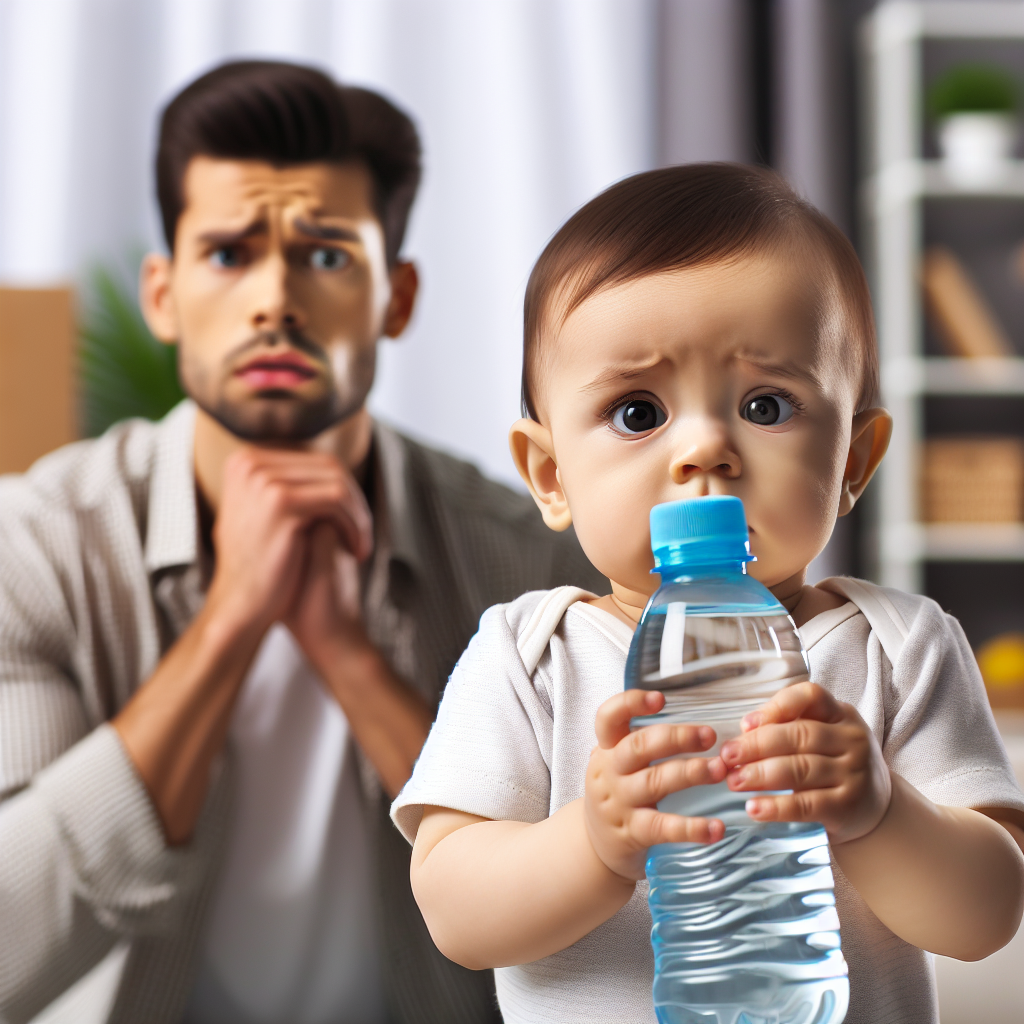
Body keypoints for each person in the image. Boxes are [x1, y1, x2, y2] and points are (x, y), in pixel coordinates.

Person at [0, 61, 603, 1024]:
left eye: (326, 257)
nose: (274, 298)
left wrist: (345, 651)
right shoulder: (33, 548)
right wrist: (233, 616)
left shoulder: (532, 560)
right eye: (230, 254)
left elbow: (594, 921)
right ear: (162, 294)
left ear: (397, 299)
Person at [392, 164, 1024, 1024]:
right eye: (638, 412)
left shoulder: (899, 645)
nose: (704, 450)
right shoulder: (528, 657)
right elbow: (455, 913)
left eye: (766, 405)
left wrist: (881, 812)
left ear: (852, 463)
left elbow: (985, 915)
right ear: (550, 476)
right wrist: (591, 841)